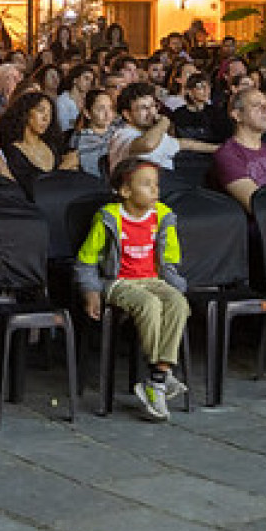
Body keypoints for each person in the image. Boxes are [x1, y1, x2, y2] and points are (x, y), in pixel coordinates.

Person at [74, 159, 191, 421]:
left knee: (178, 303)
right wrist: (91, 291)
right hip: (119, 282)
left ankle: (157, 378)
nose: (155, 190)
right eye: (146, 185)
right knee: (148, 304)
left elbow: (171, 259)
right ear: (125, 191)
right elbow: (87, 260)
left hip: (153, 279)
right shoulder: (109, 218)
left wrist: (175, 287)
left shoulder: (163, 216)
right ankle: (159, 377)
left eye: (156, 185)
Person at [0, 89, 67, 196]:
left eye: (50, 114)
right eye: (41, 111)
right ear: (26, 113)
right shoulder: (13, 151)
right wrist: (65, 167)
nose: (46, 118)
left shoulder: (53, 145)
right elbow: (30, 190)